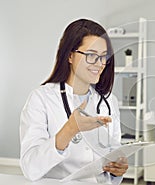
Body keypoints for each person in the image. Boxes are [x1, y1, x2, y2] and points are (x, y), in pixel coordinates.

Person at [20, 18, 128, 184]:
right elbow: (30, 168)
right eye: (91, 55)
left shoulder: (108, 101)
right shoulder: (41, 99)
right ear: (70, 55)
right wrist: (70, 130)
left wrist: (116, 170)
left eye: (103, 57)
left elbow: (113, 155)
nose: (100, 64)